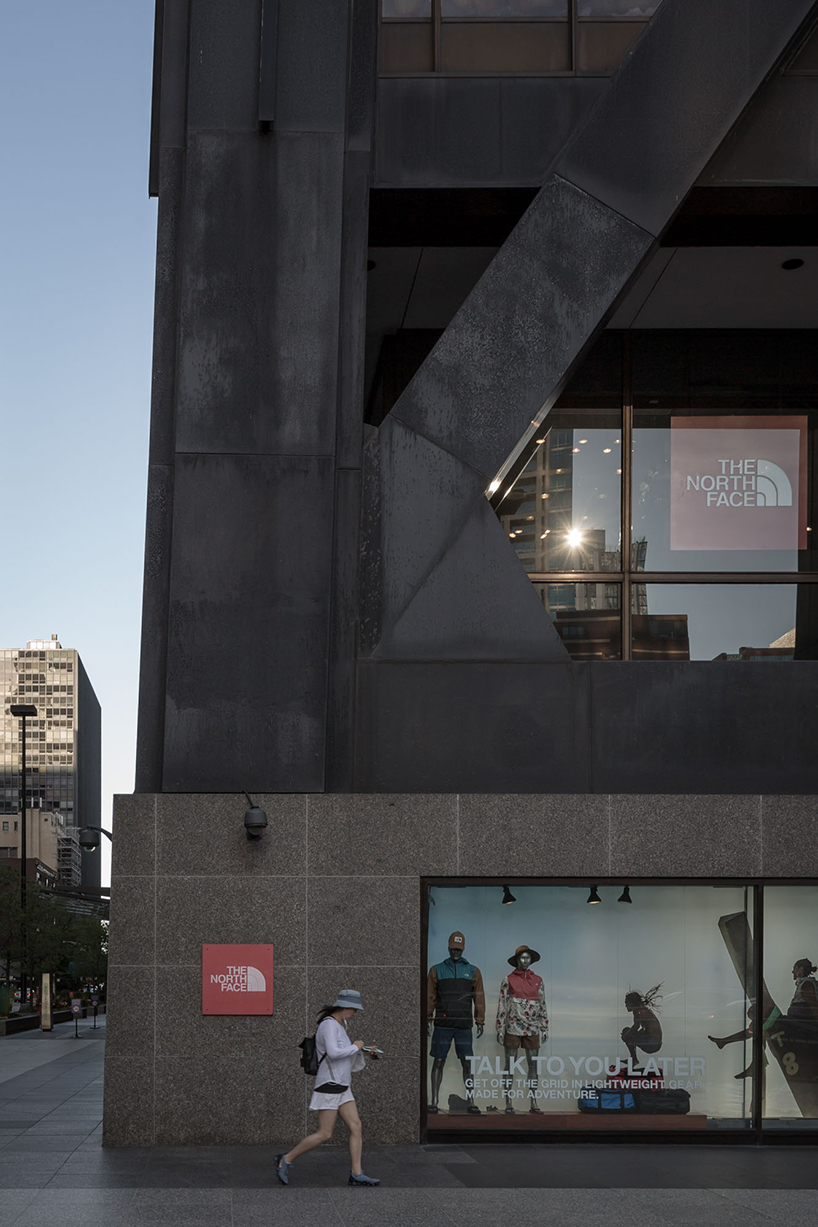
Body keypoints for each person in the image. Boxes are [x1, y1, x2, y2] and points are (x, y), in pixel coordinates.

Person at [276, 990, 379, 1187]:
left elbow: (343, 1053)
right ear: (344, 1007)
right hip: (330, 1085)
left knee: (356, 1126)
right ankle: (286, 1159)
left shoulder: (339, 1025)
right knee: (325, 1133)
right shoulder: (329, 1025)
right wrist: (356, 1047)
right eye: (354, 1009)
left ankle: (357, 1173)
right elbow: (333, 1053)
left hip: (342, 1085)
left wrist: (364, 1051)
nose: (355, 1013)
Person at [621, 986, 663, 1069]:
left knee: (626, 1031)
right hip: (655, 1042)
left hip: (652, 1043)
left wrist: (626, 1036)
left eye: (626, 1003)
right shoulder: (643, 1010)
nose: (625, 1005)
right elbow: (645, 1029)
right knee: (628, 1032)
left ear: (632, 1003)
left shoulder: (638, 1010)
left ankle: (634, 1059)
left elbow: (636, 1026)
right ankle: (633, 1059)